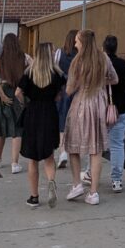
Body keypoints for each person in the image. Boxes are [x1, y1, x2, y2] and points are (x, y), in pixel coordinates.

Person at [64, 29, 119, 205]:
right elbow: (115, 79)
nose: (75, 44)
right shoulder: (103, 58)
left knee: (73, 145)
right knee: (96, 150)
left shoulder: (77, 61)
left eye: (77, 41)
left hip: (81, 103)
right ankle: (93, 192)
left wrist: (81, 83)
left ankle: (77, 184)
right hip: (100, 102)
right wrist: (100, 82)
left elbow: (69, 89)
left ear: (83, 42)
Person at [16, 41, 65, 208]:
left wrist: (25, 104)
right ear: (50, 54)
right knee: (49, 155)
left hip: (33, 113)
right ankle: (51, 182)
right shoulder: (57, 74)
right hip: (49, 113)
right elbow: (59, 96)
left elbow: (18, 93)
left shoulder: (29, 73)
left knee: (33, 158)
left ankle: (34, 196)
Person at [83, 35, 125, 193]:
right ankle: (117, 180)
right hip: (121, 109)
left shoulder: (99, 64)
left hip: (100, 109)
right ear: (116, 48)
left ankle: (90, 173)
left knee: (96, 143)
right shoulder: (123, 64)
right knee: (117, 145)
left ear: (103, 48)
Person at [0, 33, 27, 174]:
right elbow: (33, 69)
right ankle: (15, 163)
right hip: (19, 91)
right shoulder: (23, 57)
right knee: (17, 130)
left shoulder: (1, 58)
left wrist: (2, 95)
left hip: (5, 91)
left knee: (1, 129)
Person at [54, 29, 78, 169]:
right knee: (75, 122)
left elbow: (54, 66)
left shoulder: (59, 52)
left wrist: (62, 75)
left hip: (63, 91)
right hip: (77, 90)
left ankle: (62, 152)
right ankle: (74, 151)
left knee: (62, 122)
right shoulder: (80, 55)